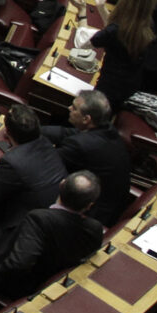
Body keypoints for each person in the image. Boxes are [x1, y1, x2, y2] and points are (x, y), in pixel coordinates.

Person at [0, 171, 106, 298]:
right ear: (89, 205)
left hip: (14, 288)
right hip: (54, 287)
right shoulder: (95, 229)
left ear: (61, 184)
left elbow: (17, 265)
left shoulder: (39, 219)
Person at [0, 104, 67, 249]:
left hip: (21, 226)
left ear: (7, 132)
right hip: (52, 216)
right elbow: (20, 175)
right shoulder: (45, 142)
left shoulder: (12, 161)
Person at [45, 91, 130, 227]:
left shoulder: (81, 145)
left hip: (91, 214)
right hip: (111, 206)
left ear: (86, 119)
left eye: (74, 108)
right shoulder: (107, 130)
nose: (69, 108)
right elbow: (65, 133)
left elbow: (45, 162)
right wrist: (35, 128)